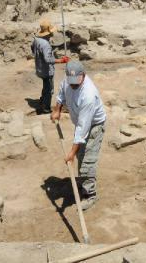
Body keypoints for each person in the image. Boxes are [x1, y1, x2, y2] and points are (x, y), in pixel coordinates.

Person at [50, 61, 106, 210]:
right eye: (71, 82)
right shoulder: (68, 80)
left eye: (77, 83)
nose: (73, 85)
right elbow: (62, 93)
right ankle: (83, 183)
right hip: (82, 124)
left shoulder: (88, 94)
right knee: (81, 157)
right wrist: (57, 109)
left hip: (94, 126)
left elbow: (82, 129)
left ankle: (90, 195)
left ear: (84, 75)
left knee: (87, 161)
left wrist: (71, 153)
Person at [31, 18, 68, 114]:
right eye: (51, 31)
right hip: (47, 71)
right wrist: (60, 60)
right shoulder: (45, 44)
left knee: (45, 86)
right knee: (49, 90)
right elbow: (48, 60)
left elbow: (32, 48)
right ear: (48, 33)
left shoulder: (36, 40)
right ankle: (46, 108)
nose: (52, 33)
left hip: (40, 68)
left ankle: (42, 101)